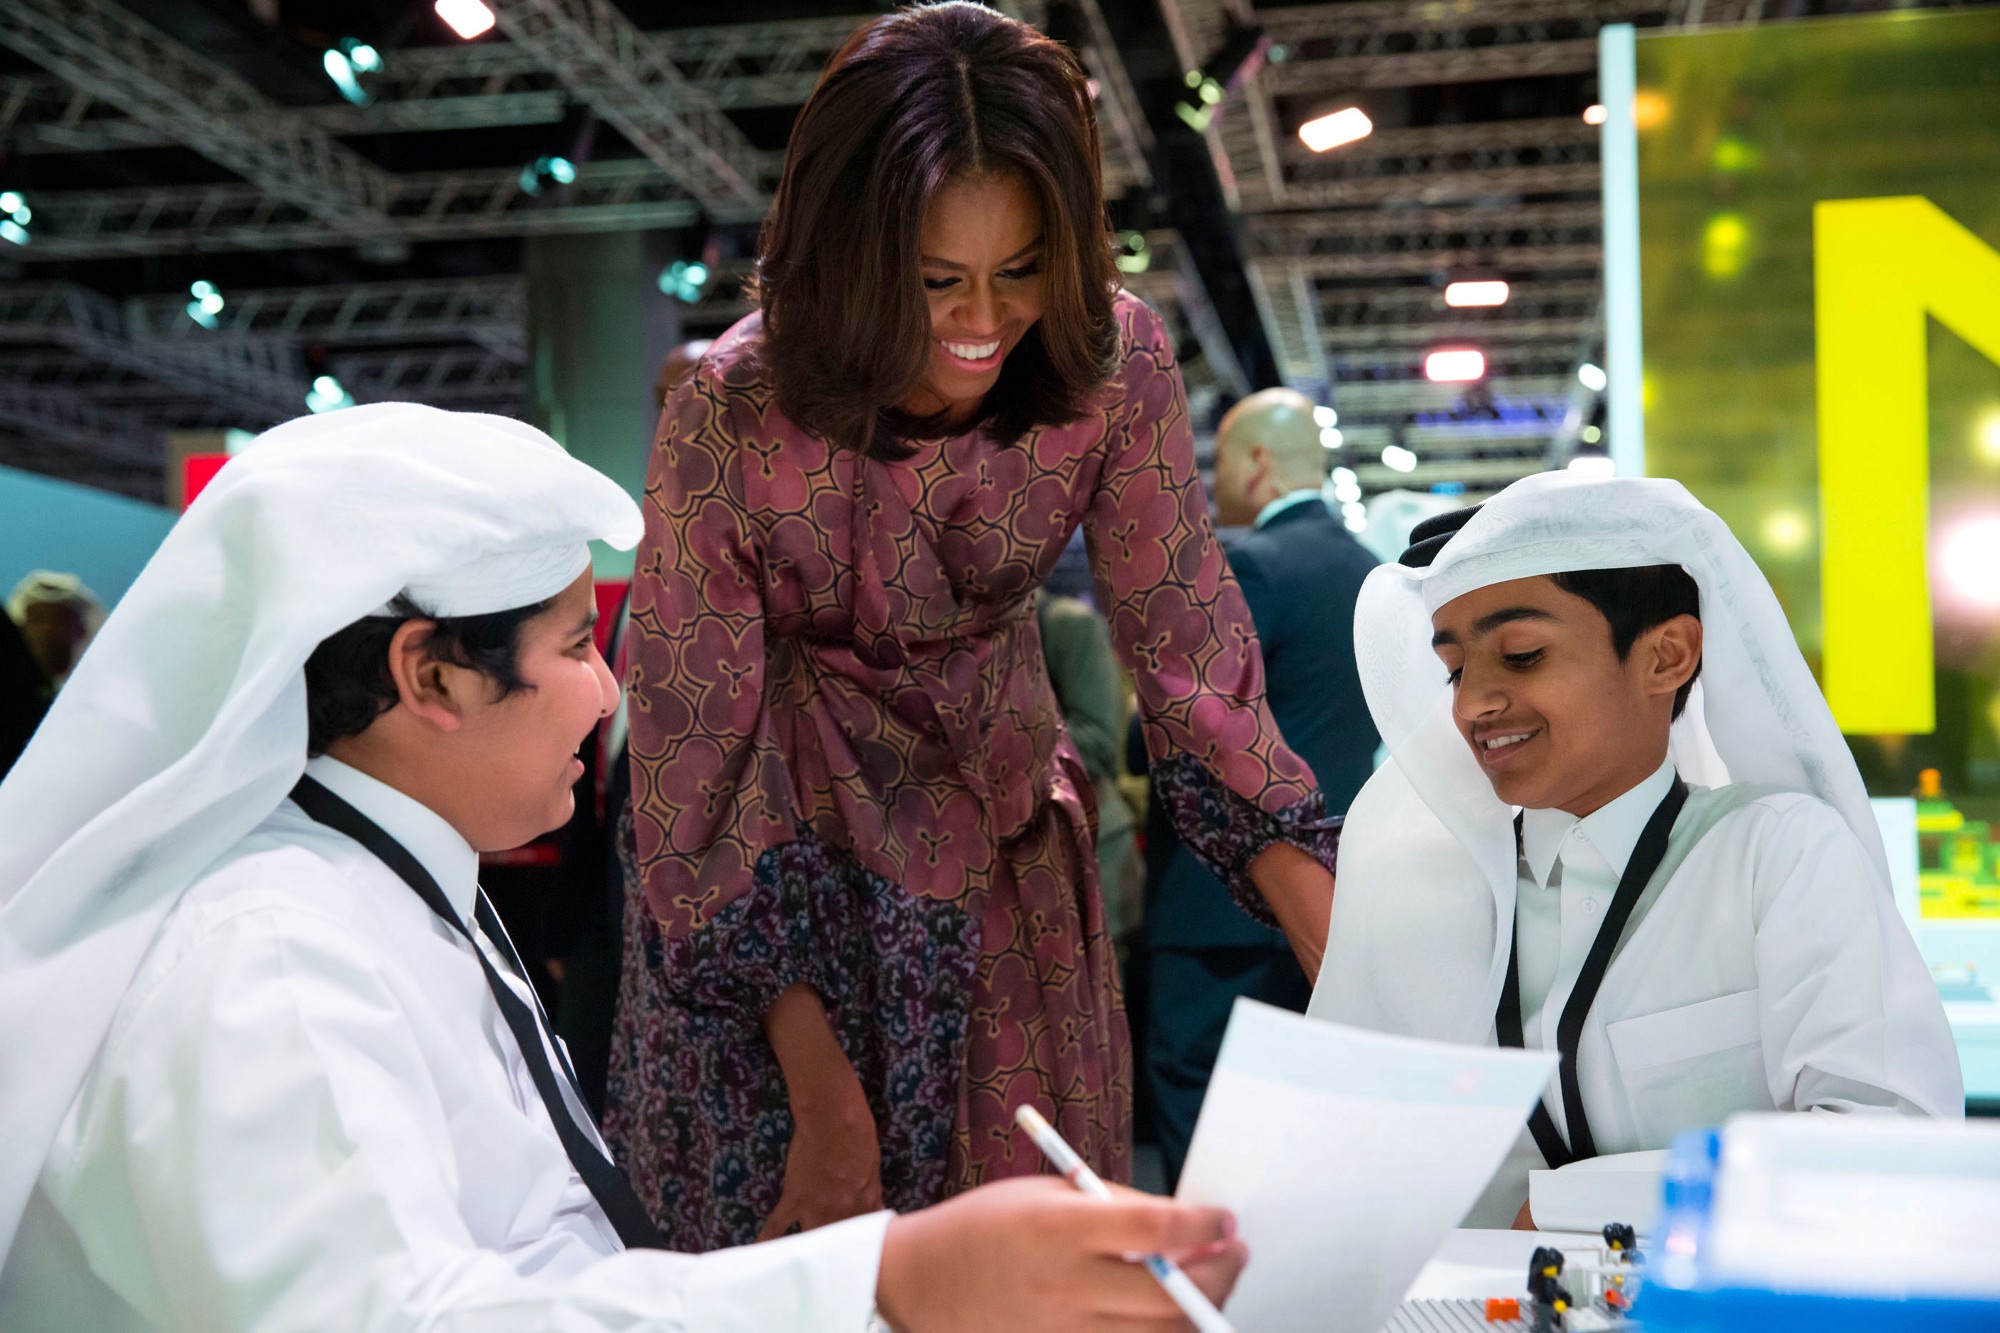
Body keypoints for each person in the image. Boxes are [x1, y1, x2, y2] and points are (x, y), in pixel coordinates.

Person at [0, 403, 1248, 1332]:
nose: (608, 690)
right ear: (426, 674)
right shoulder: (266, 950)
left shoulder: (376, 888)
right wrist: (883, 1283)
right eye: (568, 648)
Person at [611, 2, 1339, 1253]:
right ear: (849, 253)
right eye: (937, 280)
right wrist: (813, 1076)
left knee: (1035, 1267)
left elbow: (1191, 663)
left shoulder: (1112, 364)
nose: (980, 324)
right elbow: (688, 765)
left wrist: (1338, 941)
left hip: (998, 880)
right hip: (772, 903)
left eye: (1020, 274)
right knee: (796, 1275)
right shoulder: (732, 405)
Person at [1310, 471, 1963, 1227]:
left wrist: (1574, 1204)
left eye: (1520, 655)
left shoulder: (1776, 857)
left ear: (1668, 656)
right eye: (1455, 669)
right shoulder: (1420, 889)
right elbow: (1350, 1168)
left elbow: (1890, 1140)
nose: (1472, 704)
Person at [1141, 388, 1380, 1188]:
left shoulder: (1251, 564)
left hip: (1217, 907)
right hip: (1338, 896)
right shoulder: (1374, 576)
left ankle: (1209, 1292)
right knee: (1300, 1124)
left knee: (1203, 1111)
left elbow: (1196, 726)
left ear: (1257, 463)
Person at [1035, 588, 1144, 952]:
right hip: (1037, 860)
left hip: (1094, 855)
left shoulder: (1066, 624)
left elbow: (1097, 744)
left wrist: (1001, 733)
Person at [6, 571, 101, 697]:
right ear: (21, 629)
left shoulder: (101, 694)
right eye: (38, 619)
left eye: (60, 620)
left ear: (81, 630)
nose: (48, 629)